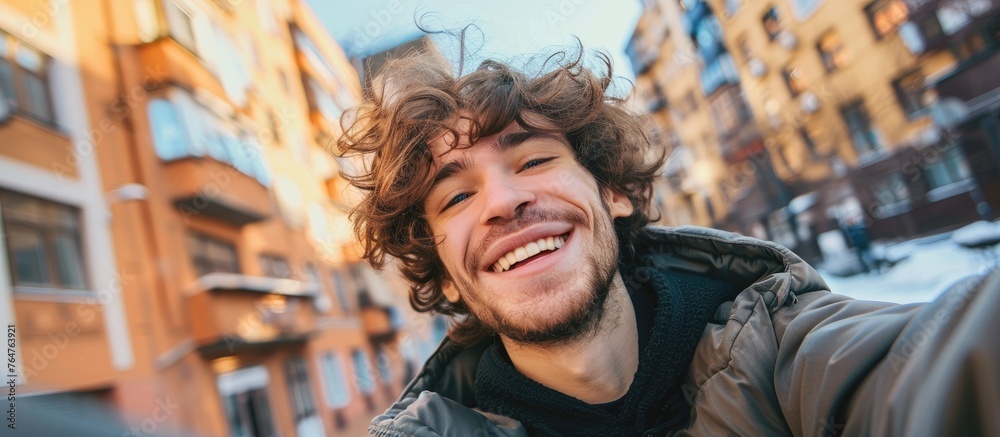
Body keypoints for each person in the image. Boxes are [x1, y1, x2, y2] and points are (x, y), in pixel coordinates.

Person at [338, 45, 1000, 436]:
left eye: (534, 159)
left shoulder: (782, 353)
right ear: (446, 273)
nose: (504, 200)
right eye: (456, 195)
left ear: (613, 193)